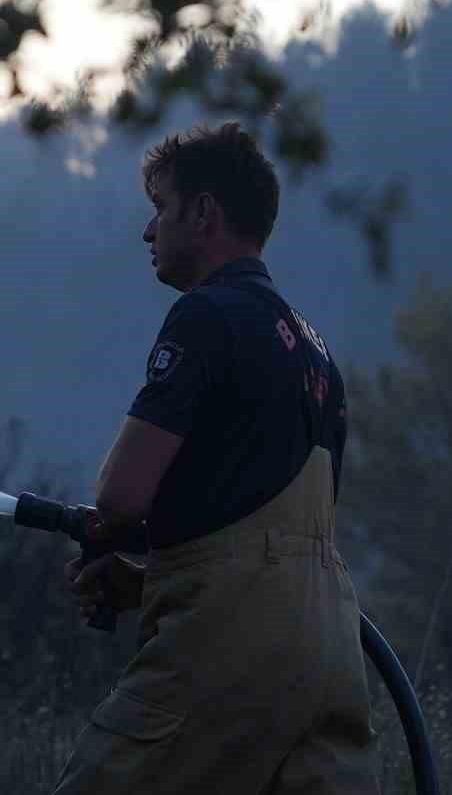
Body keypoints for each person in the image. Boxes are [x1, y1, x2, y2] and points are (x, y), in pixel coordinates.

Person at [51, 121, 380, 795]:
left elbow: (120, 499)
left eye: (160, 208)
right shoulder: (313, 350)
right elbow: (264, 535)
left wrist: (108, 534)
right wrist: (151, 580)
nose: (148, 231)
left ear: (203, 214)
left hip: (231, 649)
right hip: (330, 649)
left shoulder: (207, 316)